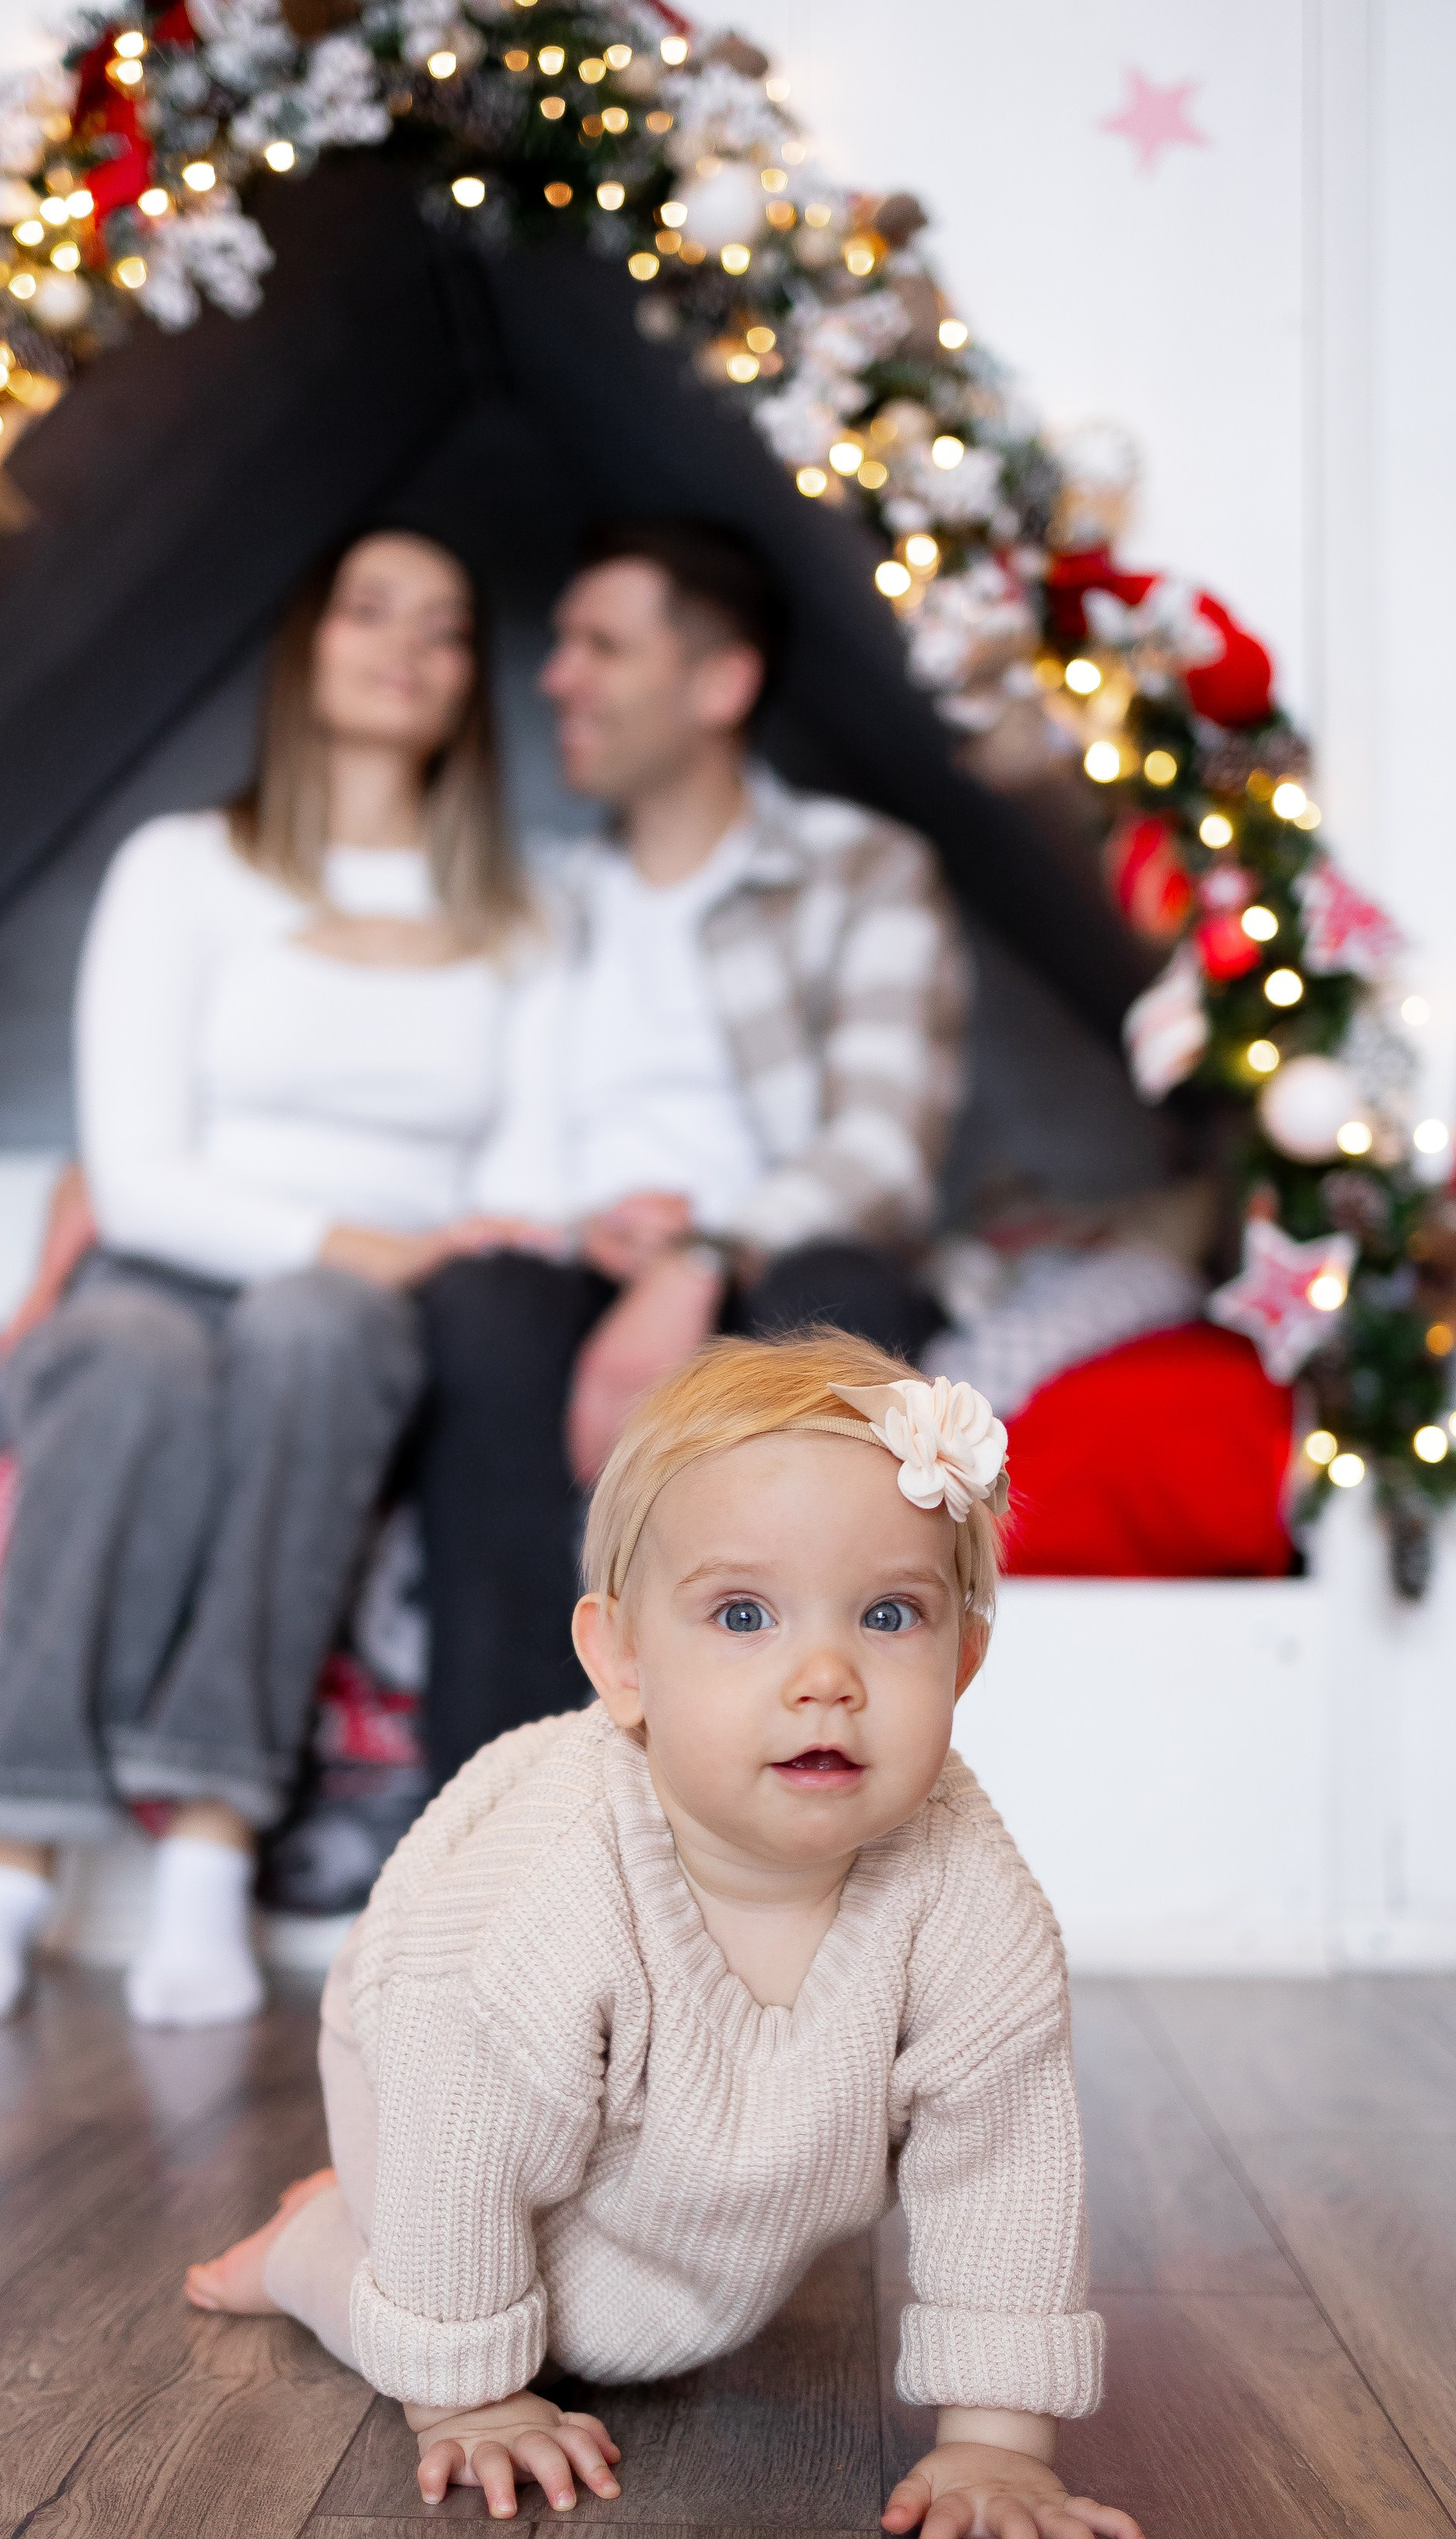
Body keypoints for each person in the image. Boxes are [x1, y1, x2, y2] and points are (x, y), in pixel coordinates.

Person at [183, 1332, 1147, 2539]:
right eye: (743, 1615)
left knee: (633, 2325)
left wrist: (996, 2447)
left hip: (687, 2201)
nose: (825, 1678)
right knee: (463, 2289)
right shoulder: (537, 1898)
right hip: (439, 2096)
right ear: (622, 1662)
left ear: (962, 1659)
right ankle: (316, 2245)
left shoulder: (967, 1893)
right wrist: (467, 2400)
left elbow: (1005, 2159)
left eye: (888, 1615)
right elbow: (458, 2138)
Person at [0, 528, 543, 2031]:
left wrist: (403, 1257)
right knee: (136, 1362)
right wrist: (348, 1236)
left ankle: (212, 1841)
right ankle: (13, 1859)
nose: (406, 647)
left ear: (468, 681)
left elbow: (521, 1173)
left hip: (367, 1310)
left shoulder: (521, 916)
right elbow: (137, 1175)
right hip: (164, 1268)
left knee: (318, 1332)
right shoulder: (182, 868)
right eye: (371, 611)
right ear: (308, 647)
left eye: (445, 627)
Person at [416, 516, 971, 1790]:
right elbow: (488, 1150)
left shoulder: (859, 869)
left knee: (841, 1301)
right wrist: (588, 1233)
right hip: (579, 1265)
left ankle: (792, 1788)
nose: (555, 676)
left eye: (600, 647)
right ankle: (505, 1817)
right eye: (560, 644)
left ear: (720, 683)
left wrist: (701, 1256)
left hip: (771, 1256)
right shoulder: (544, 899)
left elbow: (884, 1152)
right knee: (481, 1309)